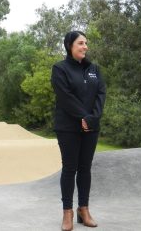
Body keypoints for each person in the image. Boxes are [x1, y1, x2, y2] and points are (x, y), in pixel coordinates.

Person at [51, 31, 106, 231]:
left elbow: (101, 93)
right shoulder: (60, 68)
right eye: (80, 43)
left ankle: (84, 210)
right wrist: (83, 116)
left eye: (86, 43)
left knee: (85, 168)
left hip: (91, 127)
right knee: (69, 168)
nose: (85, 47)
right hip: (68, 127)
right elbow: (64, 97)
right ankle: (68, 213)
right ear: (69, 45)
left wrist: (92, 118)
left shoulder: (94, 69)